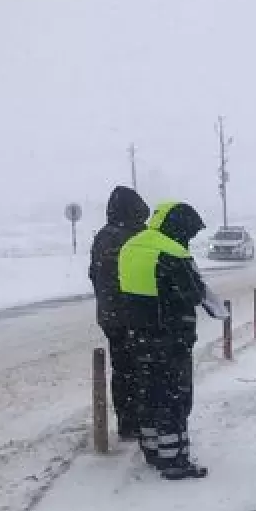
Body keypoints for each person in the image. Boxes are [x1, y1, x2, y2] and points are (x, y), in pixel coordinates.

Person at [117, 201, 209, 480]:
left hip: (138, 336)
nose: (190, 239)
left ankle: (153, 451)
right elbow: (192, 294)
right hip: (170, 339)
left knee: (147, 394)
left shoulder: (131, 245)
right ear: (178, 227)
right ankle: (175, 461)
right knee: (174, 399)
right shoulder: (172, 252)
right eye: (189, 233)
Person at [88, 185, 150, 440]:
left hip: (110, 315)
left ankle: (128, 422)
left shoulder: (103, 236)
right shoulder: (135, 237)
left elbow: (95, 274)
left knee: (123, 370)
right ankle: (141, 420)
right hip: (134, 314)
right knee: (143, 369)